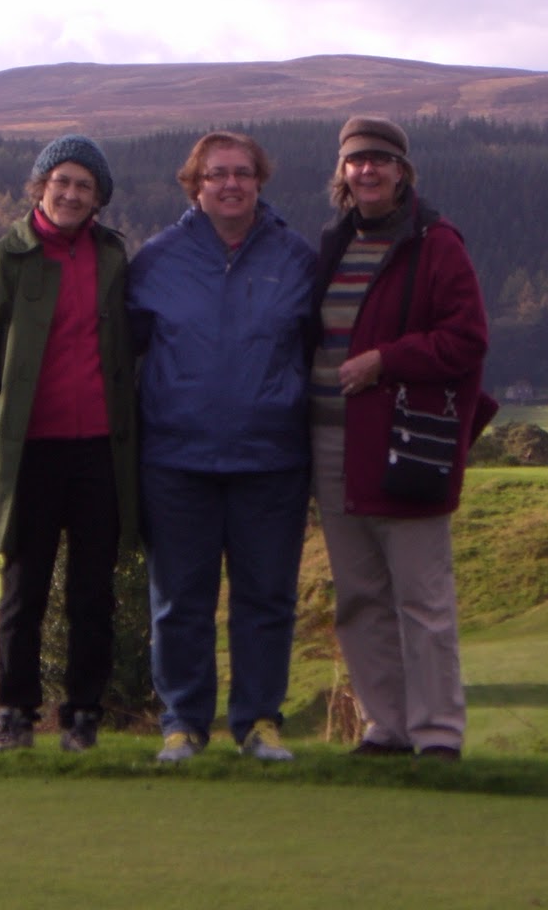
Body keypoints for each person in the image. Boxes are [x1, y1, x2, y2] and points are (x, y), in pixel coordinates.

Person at [128, 131, 315, 763]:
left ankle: (259, 722)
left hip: (272, 461)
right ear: (195, 185)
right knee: (180, 601)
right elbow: (126, 349)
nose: (230, 184)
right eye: (216, 174)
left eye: (242, 172)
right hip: (177, 461)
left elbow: (314, 349)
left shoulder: (296, 258)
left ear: (260, 181)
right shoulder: (158, 259)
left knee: (266, 599)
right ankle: (183, 724)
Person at [309, 116, 492, 761]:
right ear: (343, 172)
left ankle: (437, 734)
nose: (368, 171)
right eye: (357, 161)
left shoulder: (437, 244)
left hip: (405, 446)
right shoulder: (334, 243)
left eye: (380, 160)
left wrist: (387, 360)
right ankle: (386, 729)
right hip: (330, 446)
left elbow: (467, 339)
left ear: (401, 171)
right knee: (360, 598)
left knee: (422, 599)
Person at [0, 134, 138, 754]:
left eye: (83, 185)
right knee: (24, 592)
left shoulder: (112, 256)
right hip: (27, 455)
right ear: (40, 186)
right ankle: (13, 716)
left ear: (98, 198)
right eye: (61, 181)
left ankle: (83, 717)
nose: (70, 194)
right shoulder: (4, 258)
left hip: (100, 452)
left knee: (93, 595)